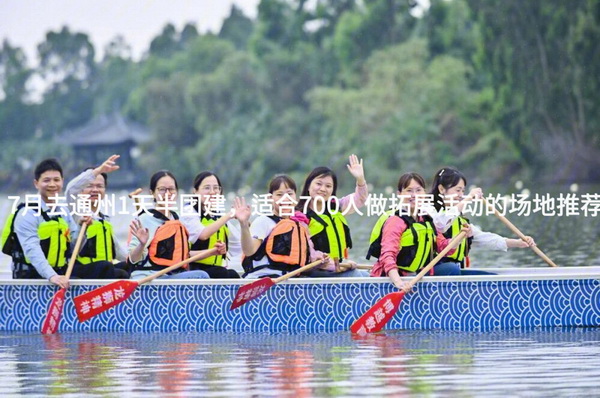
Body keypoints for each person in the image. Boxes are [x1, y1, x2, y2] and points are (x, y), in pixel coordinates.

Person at [368, 172, 470, 292]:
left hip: (416, 275)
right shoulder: (395, 221)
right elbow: (388, 256)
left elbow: (443, 247)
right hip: (394, 278)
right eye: (409, 190)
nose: (414, 195)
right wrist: (399, 283)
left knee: (451, 268)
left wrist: (458, 238)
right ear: (399, 194)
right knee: (451, 269)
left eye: (418, 190)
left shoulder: (426, 218)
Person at [428, 167, 536, 275]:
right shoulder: (428, 210)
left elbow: (486, 239)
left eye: (463, 191)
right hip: (432, 271)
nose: (461, 195)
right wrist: (469, 198)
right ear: (441, 189)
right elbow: (440, 224)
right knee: (452, 269)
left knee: (493, 278)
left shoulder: (460, 219)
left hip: (454, 271)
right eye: (458, 190)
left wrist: (518, 243)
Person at [2, 159, 91, 288]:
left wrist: (83, 227)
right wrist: (52, 276)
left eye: (56, 180)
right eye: (46, 180)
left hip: (59, 272)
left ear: (62, 181)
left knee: (106, 269)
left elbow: (74, 247)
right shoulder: (27, 213)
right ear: (36, 183)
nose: (52, 184)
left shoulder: (63, 212)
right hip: (32, 277)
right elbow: (32, 249)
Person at [128, 170, 219, 280]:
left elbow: (185, 255)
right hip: (149, 279)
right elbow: (132, 259)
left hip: (170, 275)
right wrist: (142, 244)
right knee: (201, 276)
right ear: (152, 193)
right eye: (162, 190)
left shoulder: (177, 219)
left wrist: (212, 252)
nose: (167, 193)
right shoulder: (145, 219)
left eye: (171, 189)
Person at [234, 175, 328, 279]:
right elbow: (249, 251)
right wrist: (243, 225)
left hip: (289, 281)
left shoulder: (299, 226)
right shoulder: (263, 221)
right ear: (270, 198)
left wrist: (317, 263)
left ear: (295, 197)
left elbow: (298, 266)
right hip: (262, 279)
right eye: (279, 194)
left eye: (289, 194)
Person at [297, 154, 369, 277]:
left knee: (367, 275)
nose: (323, 189)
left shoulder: (337, 206)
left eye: (328, 186)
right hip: (316, 271)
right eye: (318, 184)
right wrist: (336, 265)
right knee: (359, 276)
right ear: (308, 186)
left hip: (339, 267)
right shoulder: (300, 217)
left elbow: (360, 199)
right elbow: (311, 254)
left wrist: (360, 179)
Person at [64, 154, 130, 279]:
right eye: (89, 186)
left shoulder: (104, 219)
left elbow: (119, 252)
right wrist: (98, 171)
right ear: (81, 189)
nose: (95, 190)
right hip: (78, 269)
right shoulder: (75, 210)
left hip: (102, 269)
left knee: (126, 266)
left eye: (99, 186)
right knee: (109, 268)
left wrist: (139, 254)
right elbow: (70, 189)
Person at [179, 171, 240, 278]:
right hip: (193, 270)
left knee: (231, 274)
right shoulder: (188, 211)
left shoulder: (218, 216)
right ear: (195, 191)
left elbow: (241, 247)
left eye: (216, 188)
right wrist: (230, 214)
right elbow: (203, 234)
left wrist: (243, 223)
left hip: (215, 270)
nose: (212, 192)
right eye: (207, 188)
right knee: (225, 274)